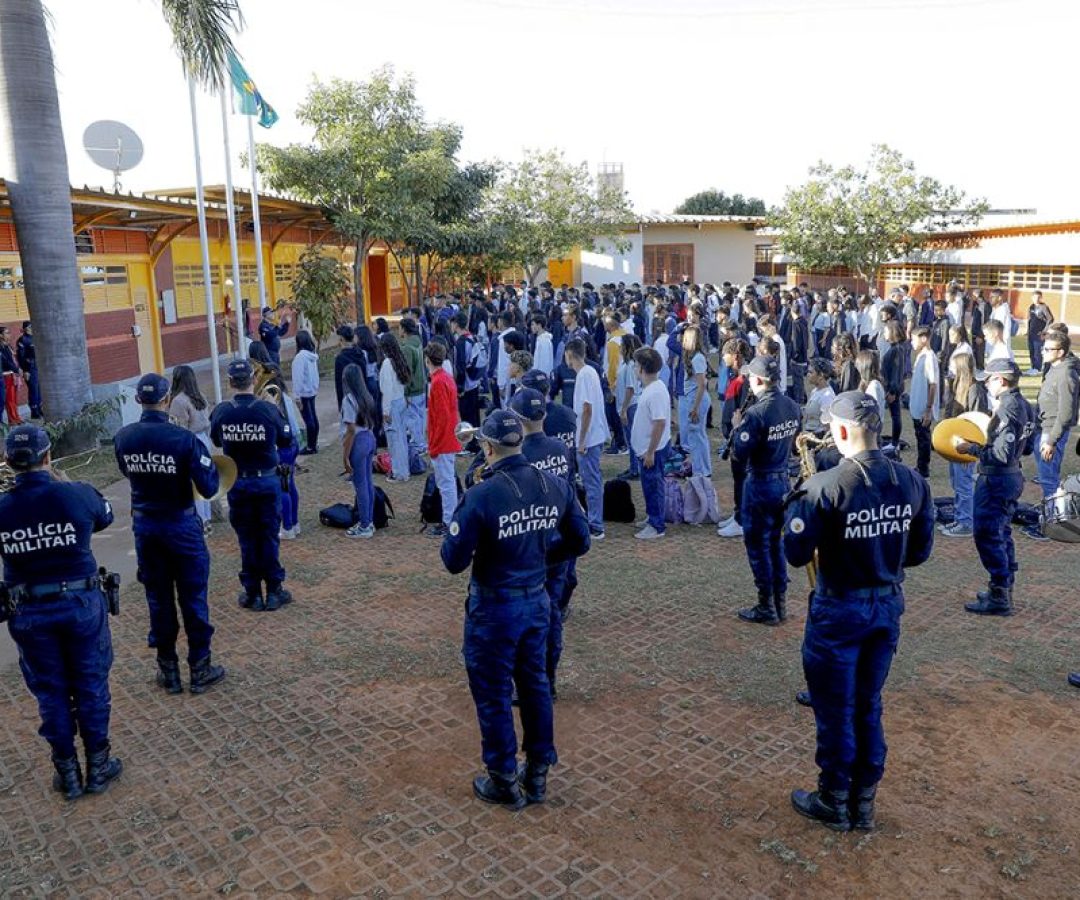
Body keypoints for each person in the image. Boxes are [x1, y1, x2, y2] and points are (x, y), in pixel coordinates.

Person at [784, 392, 934, 831]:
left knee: (835, 708)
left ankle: (833, 798)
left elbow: (795, 555)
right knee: (867, 703)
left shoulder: (824, 487)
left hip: (839, 610)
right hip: (886, 605)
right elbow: (919, 552)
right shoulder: (913, 481)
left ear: (843, 431)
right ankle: (864, 800)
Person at [440, 410, 590, 809]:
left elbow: (452, 559)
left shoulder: (483, 494)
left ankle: (504, 778)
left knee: (493, 693)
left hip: (495, 608)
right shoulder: (555, 484)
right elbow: (580, 540)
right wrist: (542, 556)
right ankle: (538, 772)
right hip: (536, 601)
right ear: (519, 440)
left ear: (487, 448)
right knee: (535, 684)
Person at [0, 425, 121, 798]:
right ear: (48, 456)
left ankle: (67, 773)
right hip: (80, 606)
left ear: (8, 462)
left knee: (51, 692)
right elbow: (106, 516)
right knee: (90, 683)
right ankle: (98, 768)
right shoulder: (75, 493)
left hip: (30, 612)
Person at [114, 373, 226, 695]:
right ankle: (200, 669)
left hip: (147, 528)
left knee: (158, 600)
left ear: (139, 401)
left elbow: (127, 472)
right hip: (181, 526)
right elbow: (209, 486)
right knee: (193, 598)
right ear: (165, 400)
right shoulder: (184, 440)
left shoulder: (124, 437)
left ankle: (169, 672)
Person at [210, 359, 296, 612]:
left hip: (238, 482)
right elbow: (287, 438)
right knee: (268, 536)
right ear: (253, 380)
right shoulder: (267, 409)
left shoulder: (223, 411)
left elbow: (216, 439)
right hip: (266, 480)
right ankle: (274, 591)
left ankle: (253, 593)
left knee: (247, 539)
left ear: (229, 383)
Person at [510, 388, 578, 697]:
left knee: (525, 618)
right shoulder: (559, 447)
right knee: (551, 615)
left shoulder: (520, 453)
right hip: (559, 539)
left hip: (531, 544)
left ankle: (531, 681)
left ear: (519, 419)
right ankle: (548, 680)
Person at [958, 359, 1034, 616]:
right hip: (1011, 476)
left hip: (997, 478)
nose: (986, 384)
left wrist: (971, 448)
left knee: (988, 534)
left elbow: (1000, 454)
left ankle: (999, 592)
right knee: (1002, 531)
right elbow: (1028, 447)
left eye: (989, 379)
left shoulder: (1008, 409)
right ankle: (1003, 586)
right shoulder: (1025, 405)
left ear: (1000, 380)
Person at [732, 355, 802, 625]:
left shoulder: (756, 413)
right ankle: (779, 602)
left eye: (751, 377)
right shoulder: (791, 405)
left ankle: (766, 605)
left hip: (760, 481)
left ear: (759, 380)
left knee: (758, 544)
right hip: (782, 478)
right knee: (776, 541)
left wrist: (738, 428)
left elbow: (740, 452)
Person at [1025, 331, 1080, 540]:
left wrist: (1051, 440)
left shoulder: (1066, 374)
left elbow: (1065, 414)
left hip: (1052, 431)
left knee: (1049, 480)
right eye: (1044, 348)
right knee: (1047, 477)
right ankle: (1049, 519)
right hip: (1044, 427)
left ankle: (1052, 526)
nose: (1044, 352)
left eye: (1048, 349)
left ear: (1061, 352)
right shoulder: (1054, 368)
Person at [938, 352, 988, 538]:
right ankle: (960, 517)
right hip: (954, 443)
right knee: (956, 482)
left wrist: (971, 448)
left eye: (952, 366)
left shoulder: (974, 390)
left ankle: (966, 522)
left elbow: (978, 421)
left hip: (966, 446)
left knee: (964, 484)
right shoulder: (956, 386)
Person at [566, 338, 610, 540]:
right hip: (595, 434)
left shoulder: (584, 375)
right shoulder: (591, 371)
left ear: (569, 355)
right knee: (592, 480)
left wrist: (581, 440)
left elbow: (586, 409)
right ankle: (593, 520)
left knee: (591, 481)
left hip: (589, 438)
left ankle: (596, 525)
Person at [631, 347, 672, 541]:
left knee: (653, 485)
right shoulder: (652, 388)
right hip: (647, 448)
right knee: (648, 485)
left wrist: (650, 451)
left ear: (641, 368)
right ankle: (651, 516)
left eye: (635, 364)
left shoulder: (655, 391)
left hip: (652, 449)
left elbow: (660, 422)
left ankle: (657, 525)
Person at [169, 365, 215, 534]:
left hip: (190, 441)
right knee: (203, 479)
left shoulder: (178, 401)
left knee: (192, 484)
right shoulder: (200, 396)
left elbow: (179, 428)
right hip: (204, 440)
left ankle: (200, 521)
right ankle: (207, 519)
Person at [424, 342, 461, 538]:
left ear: (428, 360)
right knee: (446, 482)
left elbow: (441, 417)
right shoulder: (446, 378)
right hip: (449, 437)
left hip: (443, 440)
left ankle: (449, 521)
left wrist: (434, 444)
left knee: (445, 483)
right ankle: (449, 519)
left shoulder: (438, 382)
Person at [341, 364, 379, 539]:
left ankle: (365, 524)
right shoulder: (366, 396)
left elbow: (350, 430)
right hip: (370, 437)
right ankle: (369, 520)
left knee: (360, 484)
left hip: (359, 441)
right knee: (368, 482)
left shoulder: (348, 399)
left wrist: (345, 456)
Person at [378, 332, 412, 482]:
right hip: (400, 401)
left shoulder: (387, 364)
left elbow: (387, 389)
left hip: (391, 403)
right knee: (401, 438)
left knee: (394, 440)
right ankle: (403, 470)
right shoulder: (398, 360)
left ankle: (399, 472)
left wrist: (385, 411)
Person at [680, 325, 712, 478]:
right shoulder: (694, 357)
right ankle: (702, 468)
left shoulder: (697, 358)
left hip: (696, 398)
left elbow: (701, 384)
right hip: (694, 397)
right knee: (698, 435)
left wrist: (694, 408)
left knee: (696, 435)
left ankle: (701, 470)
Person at [908, 326, 939, 478]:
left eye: (914, 339)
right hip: (917, 404)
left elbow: (933, 384)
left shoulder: (929, 357)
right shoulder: (920, 356)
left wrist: (928, 408)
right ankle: (920, 465)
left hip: (923, 407)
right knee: (919, 435)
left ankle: (923, 468)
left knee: (923, 437)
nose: (911, 342)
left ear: (924, 339)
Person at [400, 317, 428, 457]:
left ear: (404, 329)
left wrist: (404, 391)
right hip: (421, 385)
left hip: (413, 389)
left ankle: (418, 444)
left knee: (413, 418)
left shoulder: (407, 348)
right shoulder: (418, 343)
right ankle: (421, 442)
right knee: (420, 417)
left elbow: (407, 371)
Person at [291, 330, 321, 455]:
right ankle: (314, 444)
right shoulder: (312, 355)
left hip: (303, 392)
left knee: (309, 420)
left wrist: (296, 396)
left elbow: (298, 377)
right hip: (312, 390)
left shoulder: (300, 357)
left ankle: (310, 446)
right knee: (313, 418)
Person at [16, 321, 42, 419]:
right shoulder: (22, 340)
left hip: (37, 367)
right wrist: (25, 370)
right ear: (26, 328)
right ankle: (34, 411)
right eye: (31, 327)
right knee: (33, 389)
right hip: (30, 368)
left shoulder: (34, 338)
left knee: (39, 389)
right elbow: (21, 357)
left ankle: (39, 408)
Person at [0, 325, 23, 424]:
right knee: (8, 399)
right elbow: (5, 362)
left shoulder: (7, 346)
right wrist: (16, 369)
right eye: (7, 333)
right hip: (5, 375)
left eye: (9, 332)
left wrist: (17, 369)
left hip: (11, 374)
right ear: (1, 335)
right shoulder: (1, 348)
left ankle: (16, 417)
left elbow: (13, 360)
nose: (9, 335)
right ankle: (13, 419)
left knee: (13, 398)